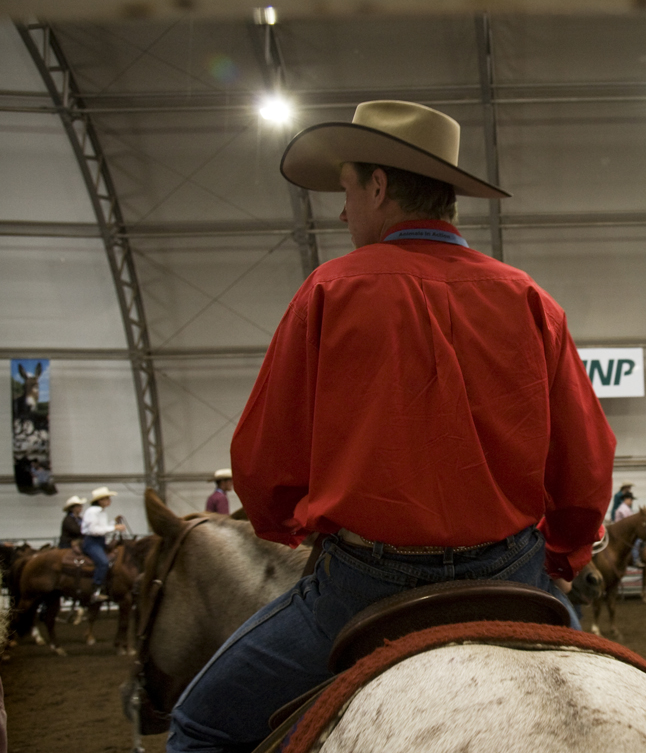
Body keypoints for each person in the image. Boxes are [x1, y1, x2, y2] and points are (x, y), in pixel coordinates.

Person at [166, 100, 615, 753]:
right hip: (511, 575)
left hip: (363, 587)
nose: (343, 210)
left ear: (378, 186)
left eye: (347, 188)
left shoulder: (330, 290)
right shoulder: (528, 297)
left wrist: (285, 526)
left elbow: (263, 458)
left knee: (199, 725)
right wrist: (567, 553)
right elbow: (586, 457)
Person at [79, 487, 125, 604]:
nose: (109, 500)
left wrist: (114, 523)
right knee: (103, 563)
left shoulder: (101, 512)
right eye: (107, 498)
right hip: (92, 542)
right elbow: (94, 530)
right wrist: (114, 527)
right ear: (100, 500)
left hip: (99, 542)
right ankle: (96, 590)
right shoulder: (92, 512)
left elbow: (102, 528)